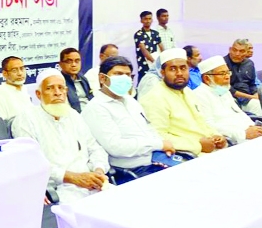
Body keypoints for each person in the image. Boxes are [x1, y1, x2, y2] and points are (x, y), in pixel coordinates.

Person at [12, 68, 110, 204]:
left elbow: (95, 148)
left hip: (91, 184)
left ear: (66, 91)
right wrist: (73, 178)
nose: (57, 93)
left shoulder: (74, 115)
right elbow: (30, 163)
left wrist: (99, 171)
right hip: (57, 191)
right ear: (38, 94)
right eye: (50, 88)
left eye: (60, 88)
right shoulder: (26, 119)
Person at [82, 56, 174, 184]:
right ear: (103, 78)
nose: (125, 79)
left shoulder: (130, 101)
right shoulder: (96, 108)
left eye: (128, 75)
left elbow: (149, 128)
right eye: (118, 74)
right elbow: (116, 147)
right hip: (133, 169)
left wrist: (162, 146)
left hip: (156, 157)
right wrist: (158, 145)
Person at [139, 48, 227, 156]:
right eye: (173, 69)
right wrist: (197, 145)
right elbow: (158, 135)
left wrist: (216, 136)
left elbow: (201, 122)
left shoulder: (188, 92)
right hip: (188, 155)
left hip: (210, 149)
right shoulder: (154, 98)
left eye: (183, 68)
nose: (179, 73)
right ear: (162, 73)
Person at [192, 56, 262, 144]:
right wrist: (243, 134)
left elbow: (239, 113)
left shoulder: (222, 90)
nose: (227, 77)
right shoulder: (199, 95)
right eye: (222, 73)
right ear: (206, 78)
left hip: (250, 134)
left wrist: (252, 126)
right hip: (233, 141)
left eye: (228, 72)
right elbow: (209, 126)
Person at [224, 39, 262, 116]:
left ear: (246, 52)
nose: (237, 54)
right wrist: (251, 96)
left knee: (258, 107)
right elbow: (224, 88)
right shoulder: (222, 63)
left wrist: (255, 95)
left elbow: (252, 84)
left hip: (248, 99)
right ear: (230, 49)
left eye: (241, 51)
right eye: (234, 50)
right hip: (228, 98)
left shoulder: (249, 63)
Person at [133, 11, 164, 83]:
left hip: (155, 61)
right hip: (144, 63)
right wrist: (155, 62)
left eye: (150, 19)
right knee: (143, 82)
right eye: (145, 19)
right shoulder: (138, 34)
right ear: (141, 20)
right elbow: (144, 51)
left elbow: (162, 47)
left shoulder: (155, 33)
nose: (148, 21)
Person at [58, 48, 93, 112]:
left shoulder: (83, 79)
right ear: (60, 64)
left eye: (77, 61)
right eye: (69, 61)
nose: (74, 65)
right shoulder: (58, 81)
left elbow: (91, 98)